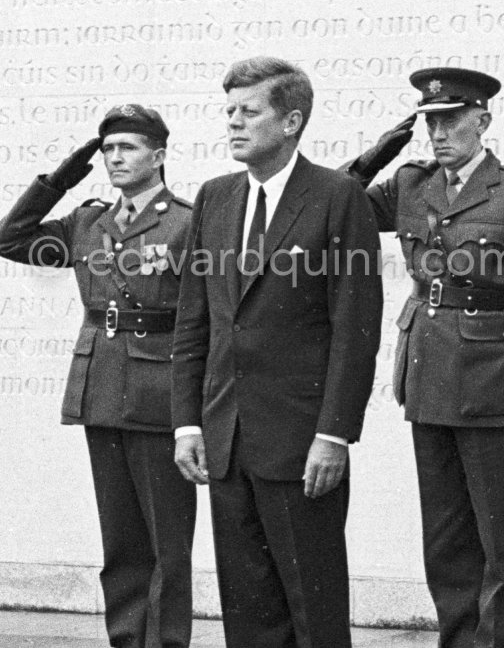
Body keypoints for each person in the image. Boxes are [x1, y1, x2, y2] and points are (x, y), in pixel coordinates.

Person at [171, 56, 383, 648]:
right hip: (227, 438)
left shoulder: (337, 197)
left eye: (250, 111)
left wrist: (334, 435)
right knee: (249, 613)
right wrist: (188, 422)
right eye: (229, 111)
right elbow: (196, 323)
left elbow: (355, 329)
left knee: (312, 610)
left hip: (301, 443)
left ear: (291, 121)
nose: (234, 123)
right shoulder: (214, 197)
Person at [348, 67, 504, 648]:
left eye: (451, 119)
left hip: (495, 385)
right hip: (429, 375)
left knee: (498, 544)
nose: (438, 132)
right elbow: (328, 206)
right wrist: (374, 157)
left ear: (482, 121)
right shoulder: (411, 185)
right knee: (444, 541)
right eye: (429, 121)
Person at [0, 105, 196, 648]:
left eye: (127, 148)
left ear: (157, 156)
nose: (115, 158)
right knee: (121, 539)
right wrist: (61, 178)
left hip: (161, 391)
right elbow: (11, 239)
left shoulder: (187, 220)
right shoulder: (88, 223)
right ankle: (127, 639)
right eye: (108, 149)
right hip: (101, 386)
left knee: (166, 542)